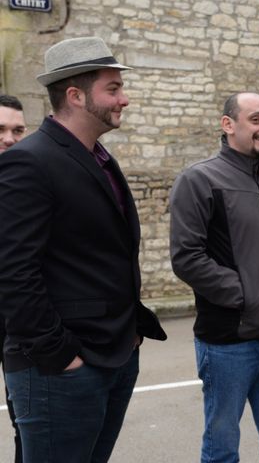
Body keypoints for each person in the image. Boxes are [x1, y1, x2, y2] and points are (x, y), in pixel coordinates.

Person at [0, 37, 167, 463]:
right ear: (75, 95)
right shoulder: (29, 161)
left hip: (113, 355)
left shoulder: (100, 159)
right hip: (62, 369)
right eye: (112, 89)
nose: (124, 99)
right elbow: (14, 271)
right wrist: (62, 355)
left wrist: (128, 336)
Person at [169, 92, 259, 463]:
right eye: (256, 119)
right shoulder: (198, 180)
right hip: (228, 342)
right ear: (228, 125)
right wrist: (246, 295)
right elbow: (187, 257)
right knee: (222, 449)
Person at [0, 94, 26, 463]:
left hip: (16, 325)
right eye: (0, 129)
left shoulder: (28, 185)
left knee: (26, 423)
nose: (9, 138)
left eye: (18, 129)